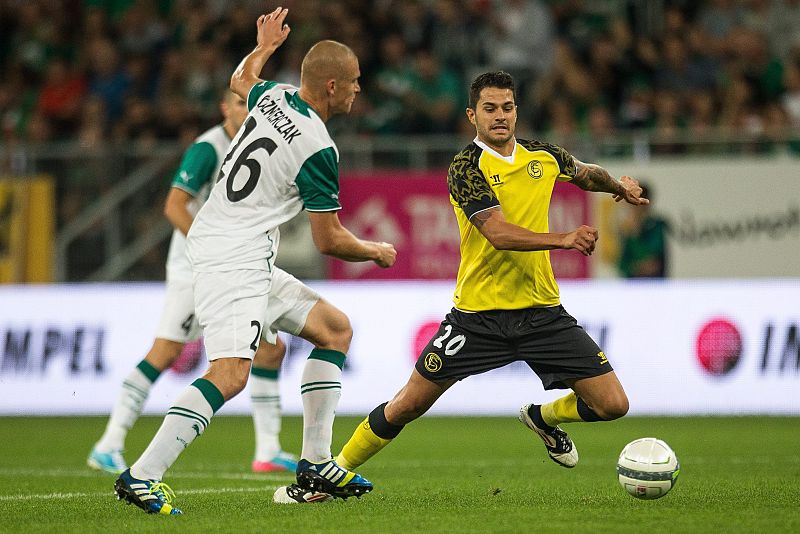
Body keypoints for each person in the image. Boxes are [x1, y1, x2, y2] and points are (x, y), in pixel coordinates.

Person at [113, 7, 396, 515]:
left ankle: (314, 462)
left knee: (334, 330)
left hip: (241, 247)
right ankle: (142, 475)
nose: (359, 90)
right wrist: (374, 250)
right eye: (353, 82)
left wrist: (263, 46)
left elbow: (241, 79)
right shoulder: (318, 148)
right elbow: (329, 240)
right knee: (231, 372)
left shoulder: (277, 96)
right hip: (231, 253)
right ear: (331, 87)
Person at [329, 71, 648, 493]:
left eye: (508, 108)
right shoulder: (465, 167)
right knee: (407, 404)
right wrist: (564, 239)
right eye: (490, 109)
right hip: (476, 319)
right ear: (472, 115)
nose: (500, 116)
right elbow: (497, 234)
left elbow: (586, 172)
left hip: (542, 315)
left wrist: (617, 188)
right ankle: (332, 469)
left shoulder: (543, 156)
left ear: (517, 111)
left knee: (613, 404)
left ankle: (543, 418)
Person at [88, 89, 299, 476]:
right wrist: (207, 244)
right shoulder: (208, 148)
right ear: (224, 108)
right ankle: (110, 442)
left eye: (254, 107)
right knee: (166, 353)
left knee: (271, 349)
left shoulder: (256, 144)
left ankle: (268, 449)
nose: (248, 112)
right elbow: (174, 205)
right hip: (196, 267)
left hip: (240, 266)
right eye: (240, 105)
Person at [618, 182, 668, 278]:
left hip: (655, 285)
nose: (637, 207)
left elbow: (653, 262)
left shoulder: (657, 226)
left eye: (641, 203)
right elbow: (621, 264)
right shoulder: (626, 230)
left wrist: (634, 234)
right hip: (632, 287)